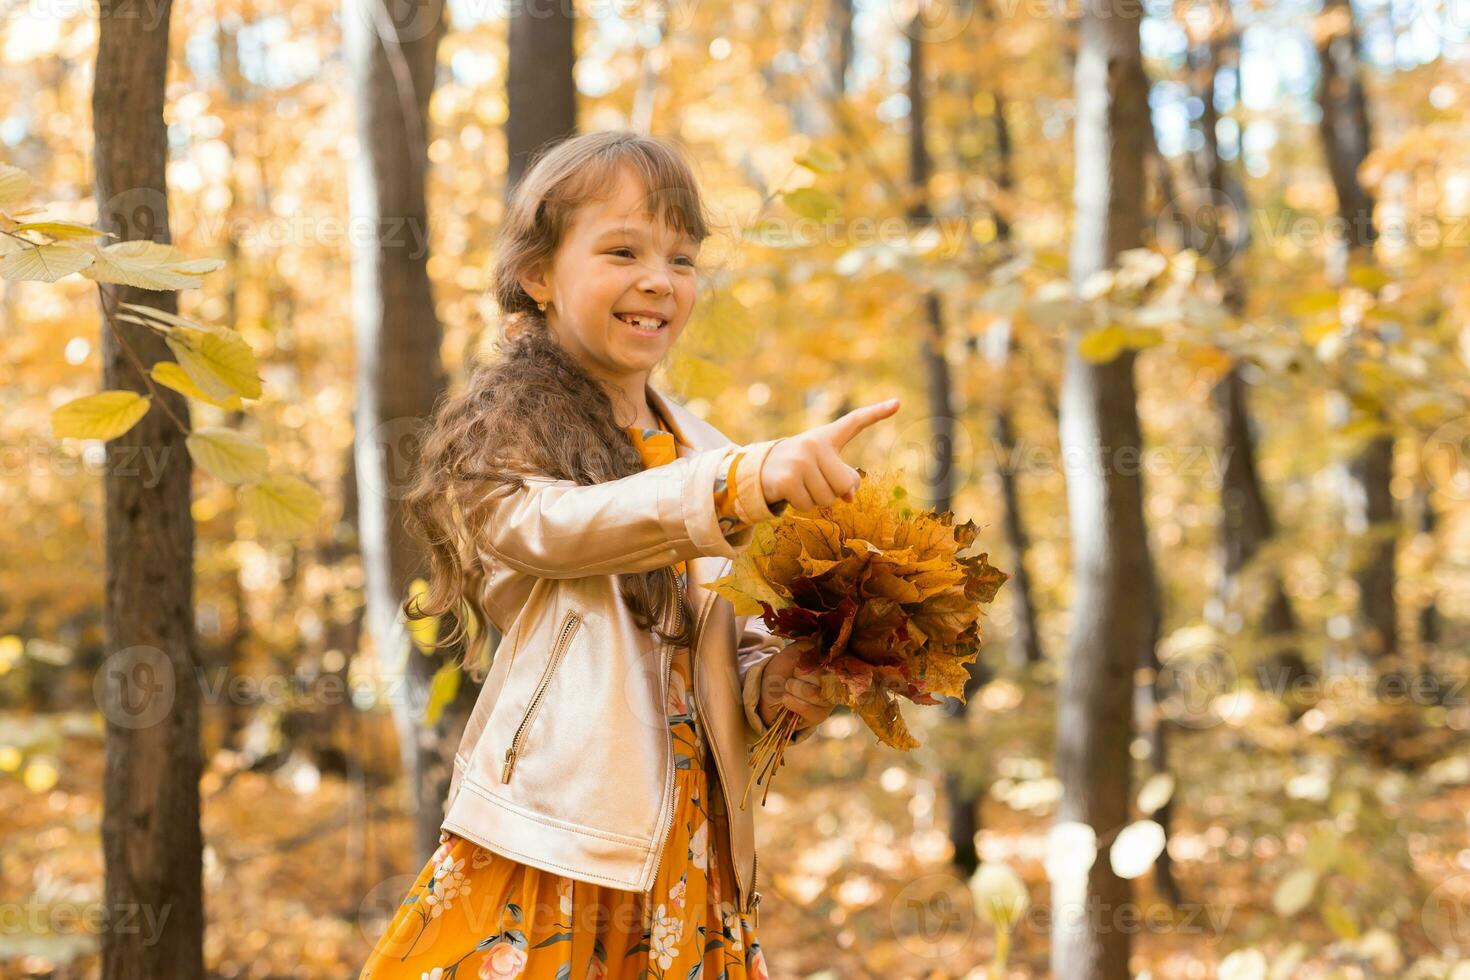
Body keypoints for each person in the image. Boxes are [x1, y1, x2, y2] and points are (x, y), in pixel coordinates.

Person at [360, 130, 900, 979]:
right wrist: (740, 483)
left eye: (682, 260)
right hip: (562, 839)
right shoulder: (505, 430)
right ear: (539, 275)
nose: (658, 279)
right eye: (621, 250)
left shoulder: (705, 451)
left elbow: (702, 652)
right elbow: (560, 530)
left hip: (690, 848)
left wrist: (776, 680)